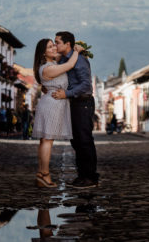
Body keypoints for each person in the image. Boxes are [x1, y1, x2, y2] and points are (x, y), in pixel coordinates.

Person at [51, 31, 99, 188]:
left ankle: (90, 177)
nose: (55, 44)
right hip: (73, 103)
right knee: (76, 141)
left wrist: (67, 93)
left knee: (84, 140)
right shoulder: (66, 59)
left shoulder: (80, 60)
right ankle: (82, 175)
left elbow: (86, 85)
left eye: (57, 42)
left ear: (67, 44)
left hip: (83, 103)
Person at [32, 38, 80, 188]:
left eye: (54, 45)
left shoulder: (51, 64)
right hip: (52, 104)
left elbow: (63, 55)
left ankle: (41, 173)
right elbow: (70, 64)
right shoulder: (48, 68)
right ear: (43, 52)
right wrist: (78, 50)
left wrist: (66, 48)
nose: (54, 49)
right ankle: (45, 174)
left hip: (51, 102)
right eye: (50, 47)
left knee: (44, 140)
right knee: (47, 140)